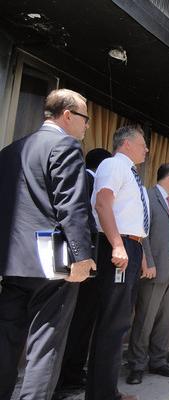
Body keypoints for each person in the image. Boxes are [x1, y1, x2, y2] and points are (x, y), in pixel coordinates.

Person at [0, 88, 96, 399]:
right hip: (52, 261)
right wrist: (82, 257)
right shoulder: (65, 145)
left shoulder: (10, 150)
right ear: (67, 115)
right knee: (46, 343)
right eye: (84, 118)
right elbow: (72, 205)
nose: (87, 125)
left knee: (6, 337)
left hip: (13, 260)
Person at [86, 125, 149, 400]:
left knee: (119, 322)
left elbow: (131, 218)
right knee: (112, 323)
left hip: (130, 246)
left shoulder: (132, 174)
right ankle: (102, 394)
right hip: (117, 247)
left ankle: (106, 391)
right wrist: (118, 245)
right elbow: (102, 204)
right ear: (126, 144)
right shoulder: (113, 165)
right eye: (143, 144)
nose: (147, 149)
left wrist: (138, 251)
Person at [57, 147, 112, 392]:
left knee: (82, 320)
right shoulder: (88, 181)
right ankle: (68, 375)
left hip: (84, 261)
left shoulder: (87, 180)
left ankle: (73, 372)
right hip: (83, 262)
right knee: (80, 320)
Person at [127, 163, 169, 384]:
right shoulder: (148, 197)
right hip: (154, 268)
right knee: (145, 318)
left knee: (165, 318)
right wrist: (148, 263)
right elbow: (142, 233)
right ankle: (136, 365)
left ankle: (158, 361)